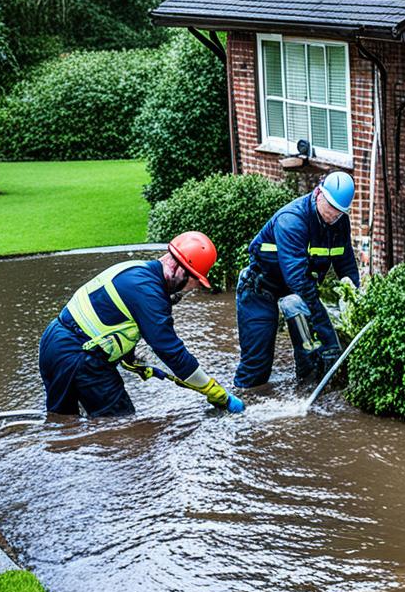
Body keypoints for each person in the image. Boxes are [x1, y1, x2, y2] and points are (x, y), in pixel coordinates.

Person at [38, 232, 245, 417]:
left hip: (53, 344)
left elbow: (112, 320)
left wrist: (132, 360)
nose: (193, 288)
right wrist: (212, 389)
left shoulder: (136, 269)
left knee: (62, 423)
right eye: (195, 281)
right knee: (122, 430)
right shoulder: (149, 293)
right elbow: (171, 351)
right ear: (178, 269)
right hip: (81, 357)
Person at [233, 171, 359, 388]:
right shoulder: (292, 220)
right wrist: (329, 335)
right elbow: (298, 280)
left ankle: (308, 396)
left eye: (340, 212)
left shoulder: (340, 223)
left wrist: (356, 301)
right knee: (257, 368)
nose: (333, 216)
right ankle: (241, 410)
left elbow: (346, 265)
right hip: (261, 289)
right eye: (330, 208)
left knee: (314, 359)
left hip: (295, 296)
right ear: (319, 192)